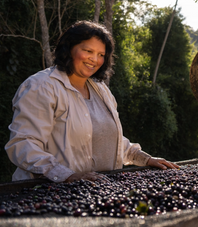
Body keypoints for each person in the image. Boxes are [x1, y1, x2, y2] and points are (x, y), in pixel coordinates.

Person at [5, 20, 179, 183]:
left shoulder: (100, 89)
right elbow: (23, 144)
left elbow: (109, 139)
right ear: (69, 49)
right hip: (46, 194)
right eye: (88, 51)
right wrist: (66, 175)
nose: (94, 59)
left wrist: (145, 158)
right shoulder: (41, 86)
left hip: (96, 192)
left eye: (100, 54)